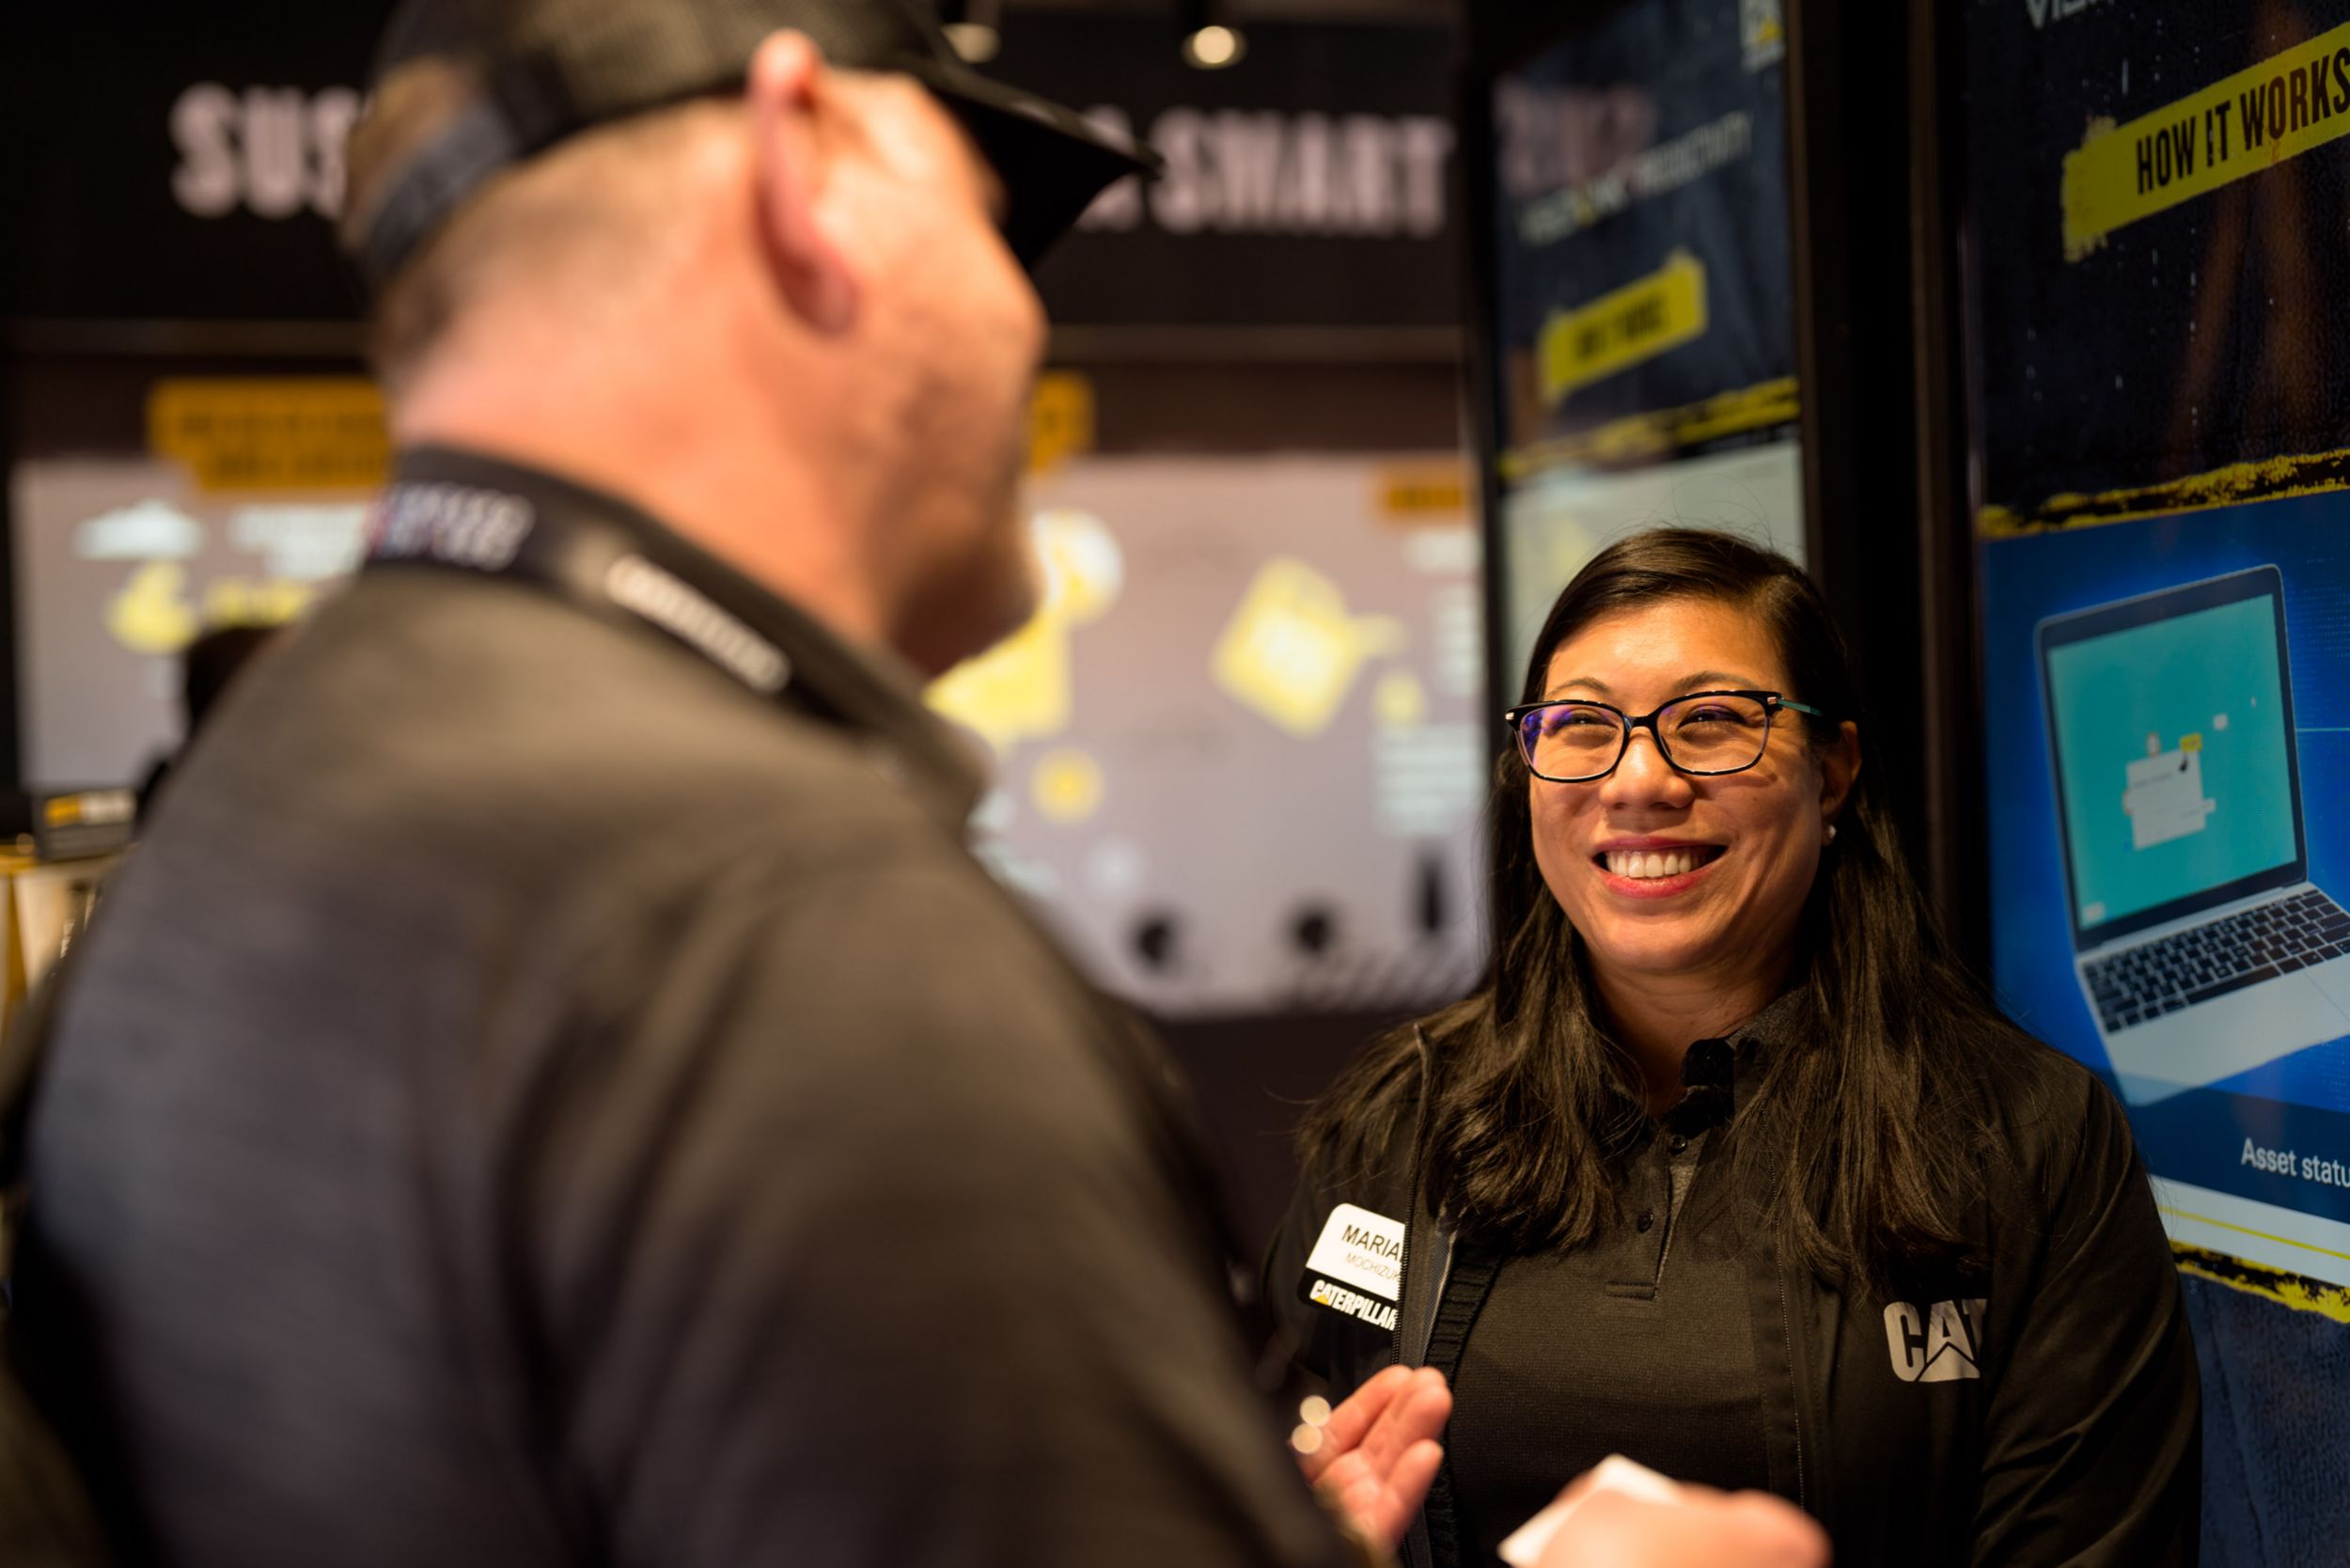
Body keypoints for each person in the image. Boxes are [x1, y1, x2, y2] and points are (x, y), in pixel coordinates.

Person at [3, 4, 1824, 1566]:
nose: (1031, 325)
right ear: (806, 171)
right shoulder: (786, 952)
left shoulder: (241, 821)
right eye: (987, 213)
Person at [1269, 529, 2202, 1568]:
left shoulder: (2026, 1140)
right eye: (1579, 725)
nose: (1637, 780)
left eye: (1711, 721)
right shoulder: (1403, 1113)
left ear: (1834, 770)